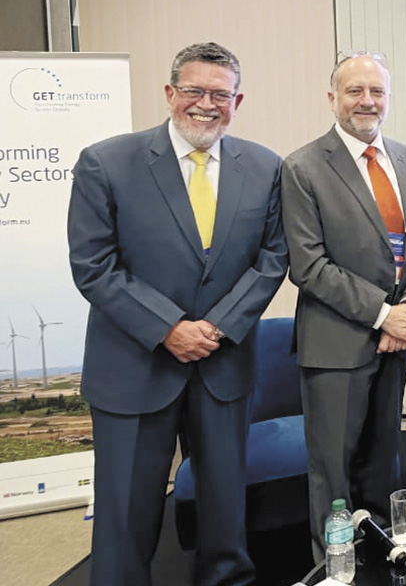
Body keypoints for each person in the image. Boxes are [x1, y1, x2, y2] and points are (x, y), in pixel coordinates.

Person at [67, 42, 288, 585]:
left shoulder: (264, 166)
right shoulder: (106, 161)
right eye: (193, 90)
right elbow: (93, 265)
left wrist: (216, 327)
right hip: (133, 368)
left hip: (222, 363)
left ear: (238, 100)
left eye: (220, 93)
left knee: (222, 508)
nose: (205, 104)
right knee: (126, 514)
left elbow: (273, 257)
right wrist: (168, 328)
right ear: (170, 94)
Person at [281, 51, 406, 559]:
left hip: (399, 338)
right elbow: (308, 264)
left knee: (384, 459)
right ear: (332, 99)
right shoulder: (302, 167)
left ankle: (383, 555)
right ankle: (335, 566)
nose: (366, 101)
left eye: (377, 92)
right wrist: (382, 312)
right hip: (336, 341)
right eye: (354, 91)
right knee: (334, 469)